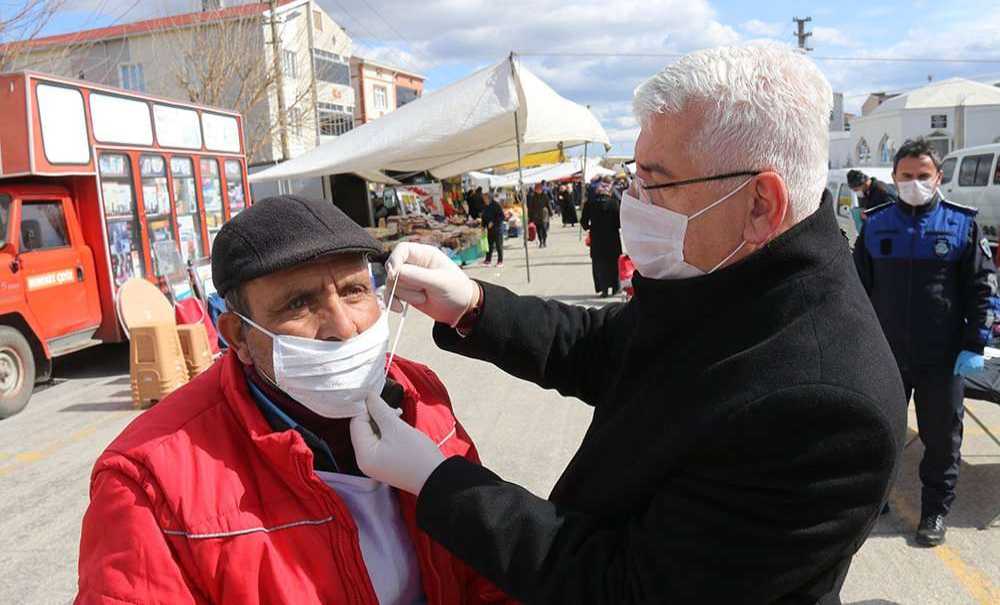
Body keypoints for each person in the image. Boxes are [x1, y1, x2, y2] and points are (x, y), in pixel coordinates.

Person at [349, 44, 907, 604]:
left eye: (654, 183)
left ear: (761, 203)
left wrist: (439, 483)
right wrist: (472, 305)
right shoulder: (737, 273)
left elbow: (623, 587)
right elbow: (609, 345)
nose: (633, 203)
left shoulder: (823, 407)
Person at [75, 195, 511, 605]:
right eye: (299, 304)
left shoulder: (420, 394)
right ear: (238, 337)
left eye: (355, 291)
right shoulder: (147, 483)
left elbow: (489, 573)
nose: (343, 326)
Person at [854, 138, 998, 547]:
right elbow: (857, 289)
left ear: (938, 178)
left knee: (941, 439)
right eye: (906, 176)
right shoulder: (876, 224)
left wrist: (976, 344)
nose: (914, 182)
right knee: (877, 432)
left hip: (944, 357)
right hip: (885, 355)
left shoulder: (961, 225)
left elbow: (985, 289)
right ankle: (874, 499)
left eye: (923, 176)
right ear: (894, 178)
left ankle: (934, 511)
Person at [580, 179, 622, 297]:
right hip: (612, 238)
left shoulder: (590, 203)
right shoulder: (614, 203)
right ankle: (615, 287)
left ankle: (603, 289)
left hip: (597, 238)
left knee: (599, 264)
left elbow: (583, 221)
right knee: (613, 263)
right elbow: (619, 222)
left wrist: (589, 228)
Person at [481, 191, 505, 267]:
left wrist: (493, 222)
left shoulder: (496, 205)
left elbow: (502, 216)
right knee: (489, 245)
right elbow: (484, 217)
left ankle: (500, 261)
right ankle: (488, 260)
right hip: (489, 229)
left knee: (498, 245)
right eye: (483, 198)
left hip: (497, 229)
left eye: (485, 198)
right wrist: (483, 226)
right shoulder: (485, 206)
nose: (484, 200)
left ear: (489, 198)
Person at [527, 182, 551, 248]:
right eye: (536, 189)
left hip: (544, 214)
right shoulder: (533, 197)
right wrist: (530, 217)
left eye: (539, 189)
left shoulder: (545, 195)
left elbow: (548, 204)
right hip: (536, 215)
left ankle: (544, 240)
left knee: (544, 228)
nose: (538, 190)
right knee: (538, 230)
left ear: (541, 189)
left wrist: (551, 213)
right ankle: (541, 242)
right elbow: (530, 207)